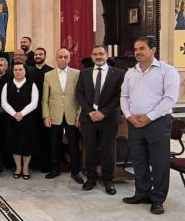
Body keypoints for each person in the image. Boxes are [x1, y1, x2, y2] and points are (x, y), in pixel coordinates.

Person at [120, 36, 180, 215]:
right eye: (136, 48)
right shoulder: (130, 72)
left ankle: (158, 199)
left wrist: (149, 117)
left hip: (158, 123)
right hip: (135, 124)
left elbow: (169, 99)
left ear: (153, 50)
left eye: (142, 48)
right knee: (139, 161)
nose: (137, 52)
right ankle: (142, 193)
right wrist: (129, 116)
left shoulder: (167, 71)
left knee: (159, 162)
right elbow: (124, 97)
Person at [76, 44, 125, 195]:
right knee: (89, 149)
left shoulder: (119, 73)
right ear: (91, 56)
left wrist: (104, 112)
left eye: (101, 54)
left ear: (107, 56)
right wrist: (90, 111)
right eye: (95, 54)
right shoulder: (84, 73)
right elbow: (79, 93)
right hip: (88, 118)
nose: (98, 56)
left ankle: (108, 180)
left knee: (108, 150)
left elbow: (119, 95)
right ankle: (90, 178)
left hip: (108, 118)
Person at [42, 48, 83, 184]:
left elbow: (81, 97)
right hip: (55, 115)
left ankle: (76, 172)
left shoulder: (77, 74)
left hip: (72, 115)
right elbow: (45, 99)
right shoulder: (48, 75)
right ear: (56, 58)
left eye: (66, 57)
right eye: (60, 57)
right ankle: (55, 169)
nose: (63, 59)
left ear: (69, 58)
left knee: (74, 145)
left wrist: (79, 114)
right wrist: (46, 115)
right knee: (54, 144)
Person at [1, 62, 40, 180]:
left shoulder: (32, 84)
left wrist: (22, 113)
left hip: (27, 119)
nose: (18, 72)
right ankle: (18, 167)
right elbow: (4, 102)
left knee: (27, 144)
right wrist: (14, 114)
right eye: (15, 70)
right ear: (12, 72)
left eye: (20, 70)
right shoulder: (7, 85)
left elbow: (34, 102)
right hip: (12, 120)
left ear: (24, 71)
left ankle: (26, 168)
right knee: (15, 143)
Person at [32, 47, 54, 172]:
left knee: (47, 138)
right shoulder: (29, 71)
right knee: (34, 137)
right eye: (36, 54)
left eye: (40, 54)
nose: (38, 56)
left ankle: (47, 165)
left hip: (47, 110)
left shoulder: (51, 71)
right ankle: (34, 164)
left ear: (45, 55)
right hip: (32, 111)